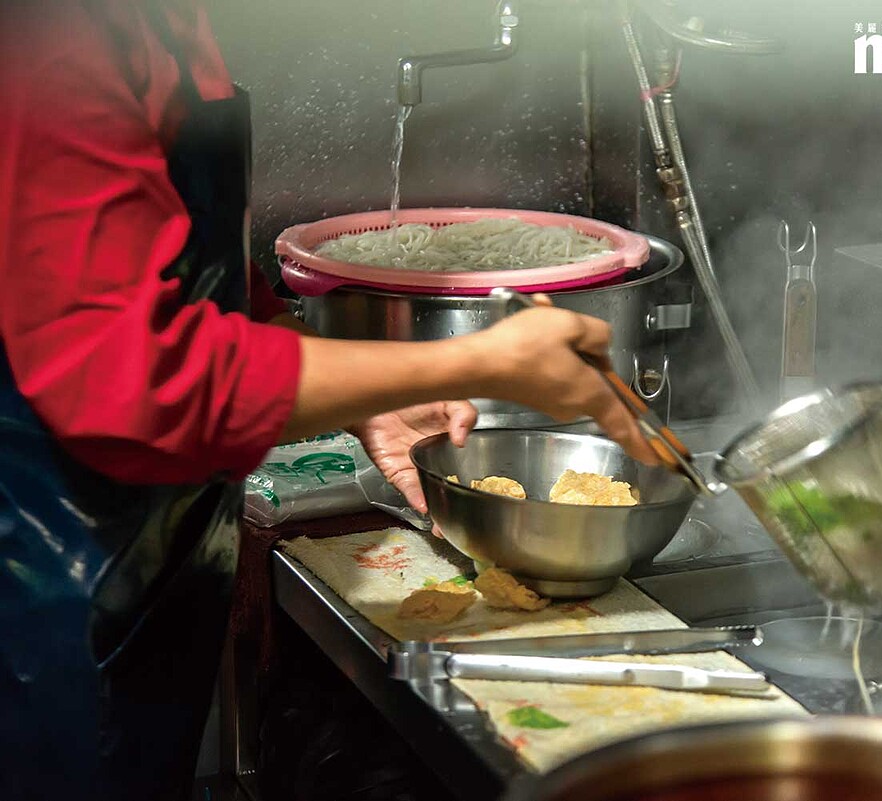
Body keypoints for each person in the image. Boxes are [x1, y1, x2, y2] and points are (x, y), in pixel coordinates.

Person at [0, 1, 654, 798]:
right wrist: (474, 362)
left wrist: (367, 396)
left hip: (141, 585)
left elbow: (191, 280)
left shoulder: (167, 21)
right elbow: (135, 376)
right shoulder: (58, 34)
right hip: (38, 606)